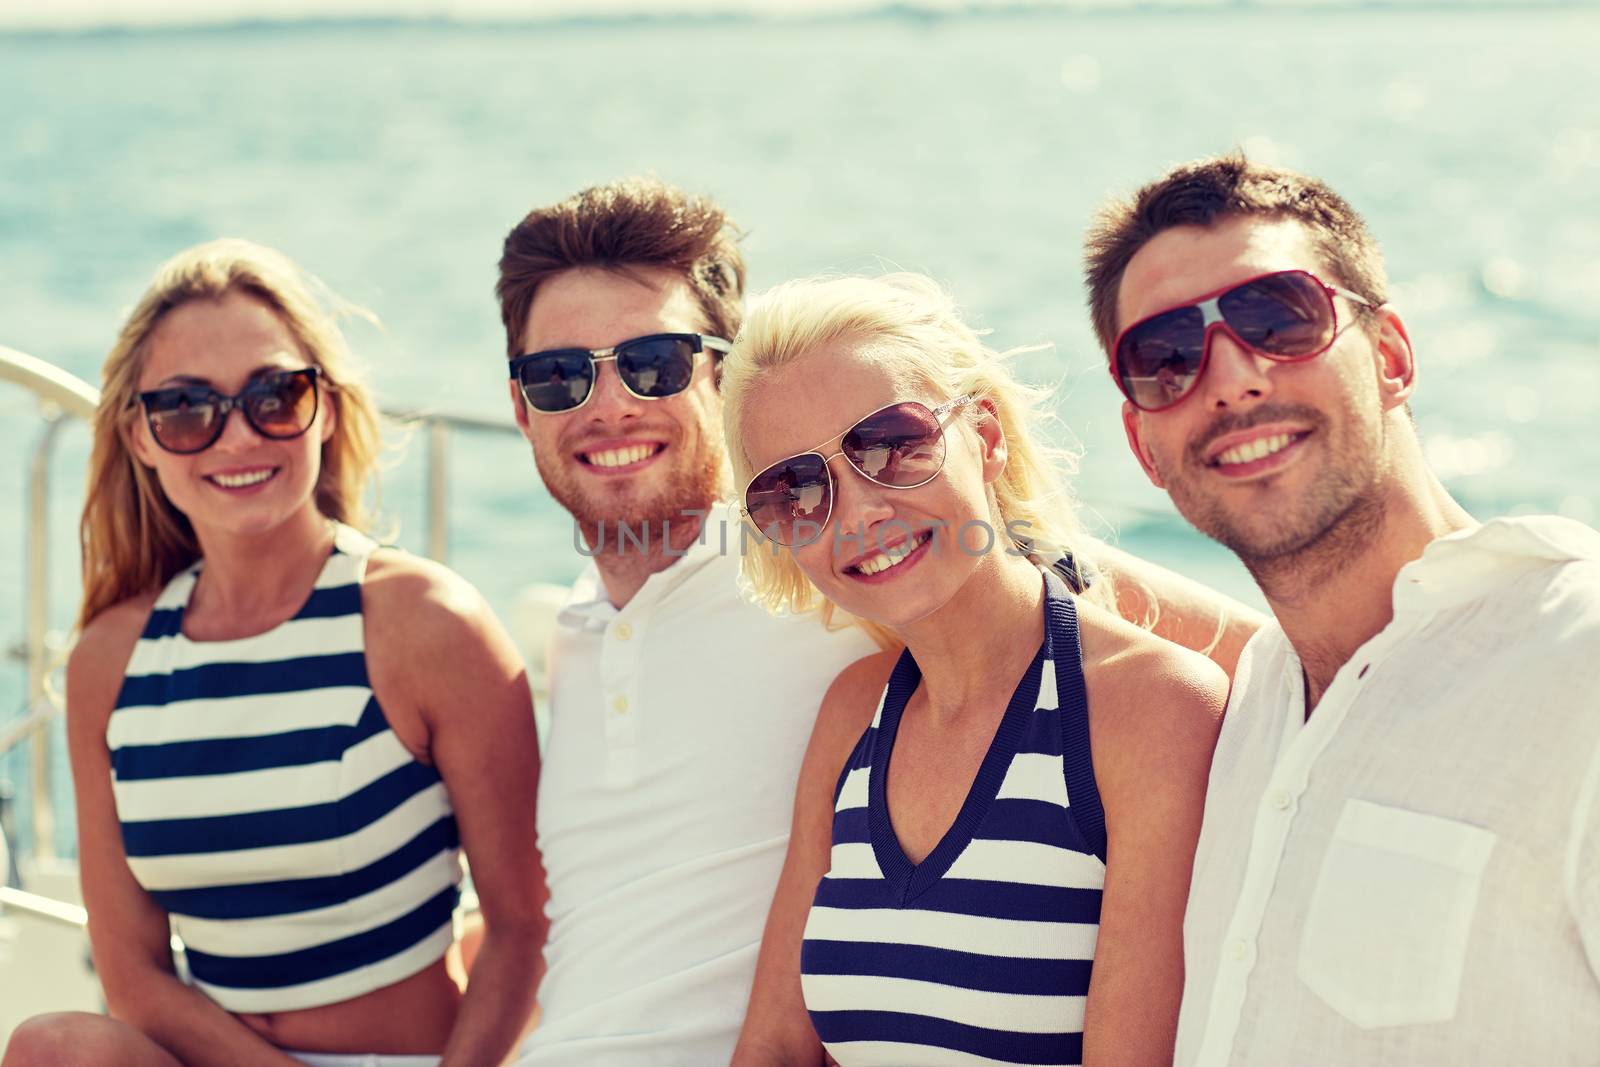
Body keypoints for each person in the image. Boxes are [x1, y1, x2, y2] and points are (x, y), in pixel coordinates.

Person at [494, 178, 1262, 1065]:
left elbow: (1098, 598)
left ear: (716, 373)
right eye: (559, 376)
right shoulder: (613, 637)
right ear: (520, 406)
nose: (608, 403)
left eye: (653, 363)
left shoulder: (815, 590)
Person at [1086, 154, 1600, 1065]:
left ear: (1392, 355)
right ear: (1141, 444)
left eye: (1280, 318)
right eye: (1165, 358)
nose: (1234, 378)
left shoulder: (1577, 659)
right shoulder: (1249, 706)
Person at [1, 240, 546, 1067]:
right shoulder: (111, 662)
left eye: (274, 394)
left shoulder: (425, 624)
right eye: (187, 408)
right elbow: (134, 975)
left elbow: (521, 926)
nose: (236, 436)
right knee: (51, 1047)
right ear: (141, 436)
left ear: (325, 407)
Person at [720, 272, 1229, 1066]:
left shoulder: (1153, 712)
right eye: (794, 489)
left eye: (894, 443)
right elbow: (778, 1044)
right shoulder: (854, 715)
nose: (858, 512)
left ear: (985, 436)